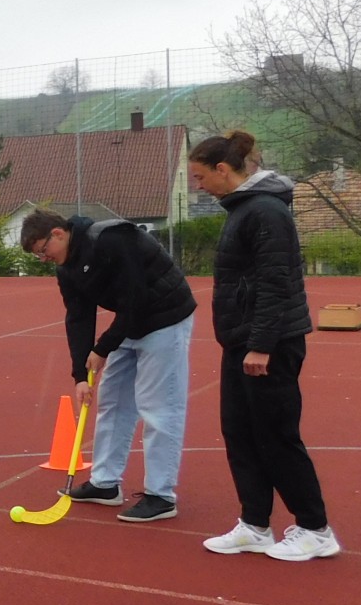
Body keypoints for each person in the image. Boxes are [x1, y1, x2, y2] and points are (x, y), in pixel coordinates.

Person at [188, 130, 341, 562]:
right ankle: (255, 524)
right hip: (242, 340)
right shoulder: (243, 209)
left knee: (276, 435)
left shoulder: (266, 211)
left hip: (269, 344)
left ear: (222, 169)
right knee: (240, 432)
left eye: (200, 177)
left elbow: (276, 282)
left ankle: (315, 529)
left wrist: (261, 345)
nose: (199, 186)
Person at [20, 207, 197, 522]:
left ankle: (161, 495)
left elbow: (135, 297)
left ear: (58, 233)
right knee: (112, 401)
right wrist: (80, 375)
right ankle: (105, 483)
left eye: (43, 251)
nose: (44, 259)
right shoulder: (66, 269)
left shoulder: (112, 240)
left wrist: (103, 348)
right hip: (130, 322)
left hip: (165, 315)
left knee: (158, 407)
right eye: (39, 255)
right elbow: (78, 318)